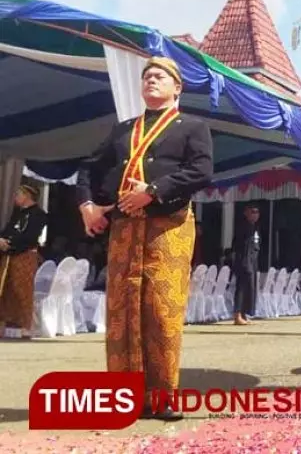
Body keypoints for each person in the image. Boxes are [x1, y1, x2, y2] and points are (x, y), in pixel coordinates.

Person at [77, 56, 213, 421]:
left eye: (160, 77)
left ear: (177, 87)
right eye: (147, 77)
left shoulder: (192, 126)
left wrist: (153, 190)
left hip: (167, 227)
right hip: (124, 228)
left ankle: (163, 397)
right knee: (122, 311)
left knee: (161, 309)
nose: (151, 81)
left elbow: (201, 170)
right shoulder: (124, 130)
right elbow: (89, 168)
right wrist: (88, 205)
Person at [0, 184, 47, 339]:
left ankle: (25, 326)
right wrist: (2, 240)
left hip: (25, 255)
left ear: (27, 195)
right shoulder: (17, 213)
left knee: (23, 290)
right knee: (8, 289)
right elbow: (8, 230)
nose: (16, 198)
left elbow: (30, 236)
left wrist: (10, 244)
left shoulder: (39, 215)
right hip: (9, 256)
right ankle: (5, 324)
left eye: (18, 194)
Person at [232, 203, 261, 325]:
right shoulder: (243, 227)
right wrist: (245, 262)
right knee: (242, 288)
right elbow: (239, 247)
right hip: (244, 261)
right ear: (246, 213)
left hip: (252, 262)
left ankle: (244, 314)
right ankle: (237, 314)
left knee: (250, 289)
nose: (255, 214)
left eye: (257, 212)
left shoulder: (254, 227)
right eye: (252, 211)